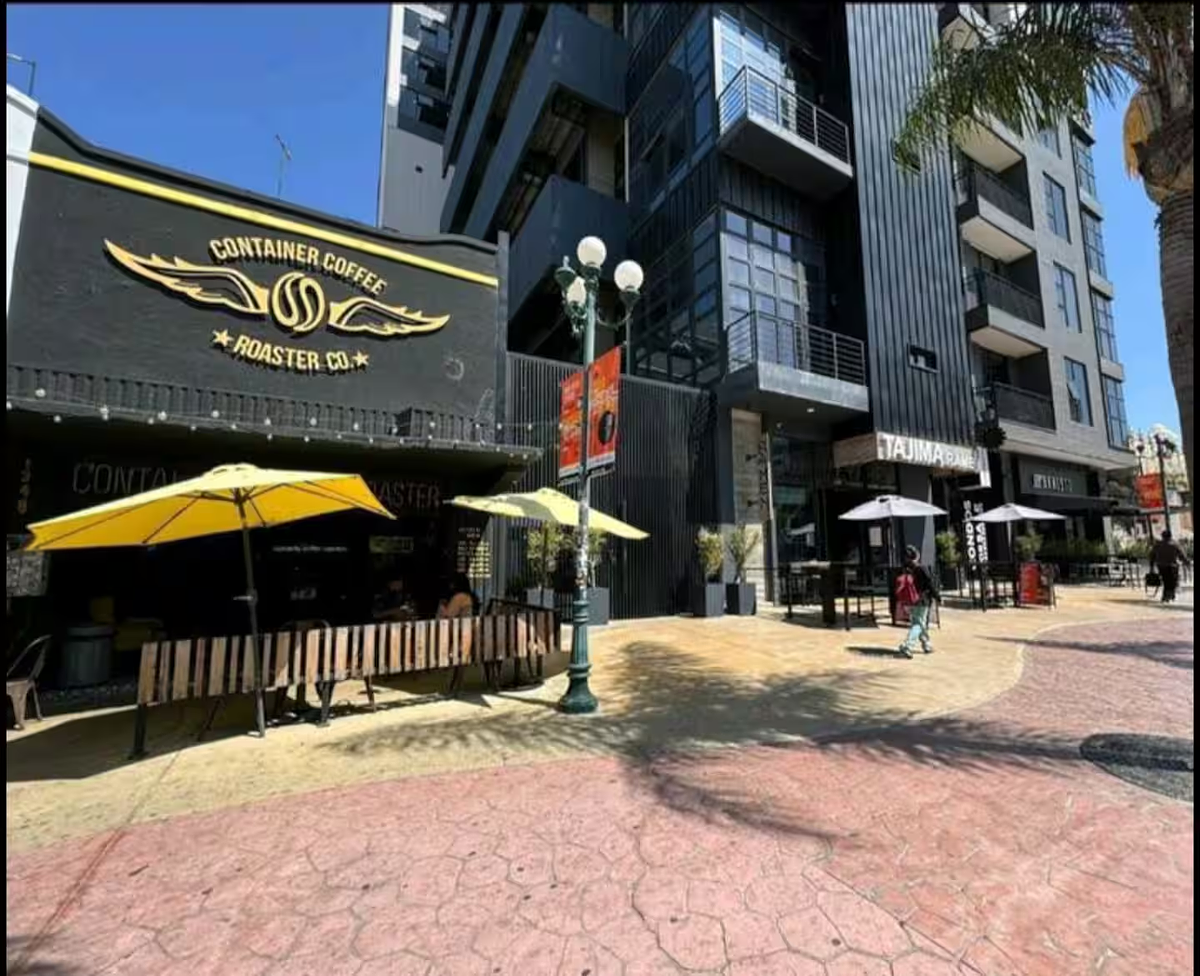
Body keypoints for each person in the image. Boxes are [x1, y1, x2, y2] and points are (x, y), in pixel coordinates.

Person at [896, 545, 939, 658]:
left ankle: (926, 644)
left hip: (910, 600)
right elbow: (930, 584)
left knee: (919, 622)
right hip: (922, 600)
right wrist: (937, 596)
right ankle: (908, 646)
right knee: (918, 624)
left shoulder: (907, 569)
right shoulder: (921, 568)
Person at [1149, 530, 1190, 603]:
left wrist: (1151, 567)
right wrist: (1187, 563)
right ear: (1170, 536)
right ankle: (1170, 595)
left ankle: (1166, 596)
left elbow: (1152, 556)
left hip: (1161, 566)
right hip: (1172, 566)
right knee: (1172, 581)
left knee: (1166, 581)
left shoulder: (1157, 545)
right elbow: (1181, 555)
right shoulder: (1175, 544)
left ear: (1162, 536)